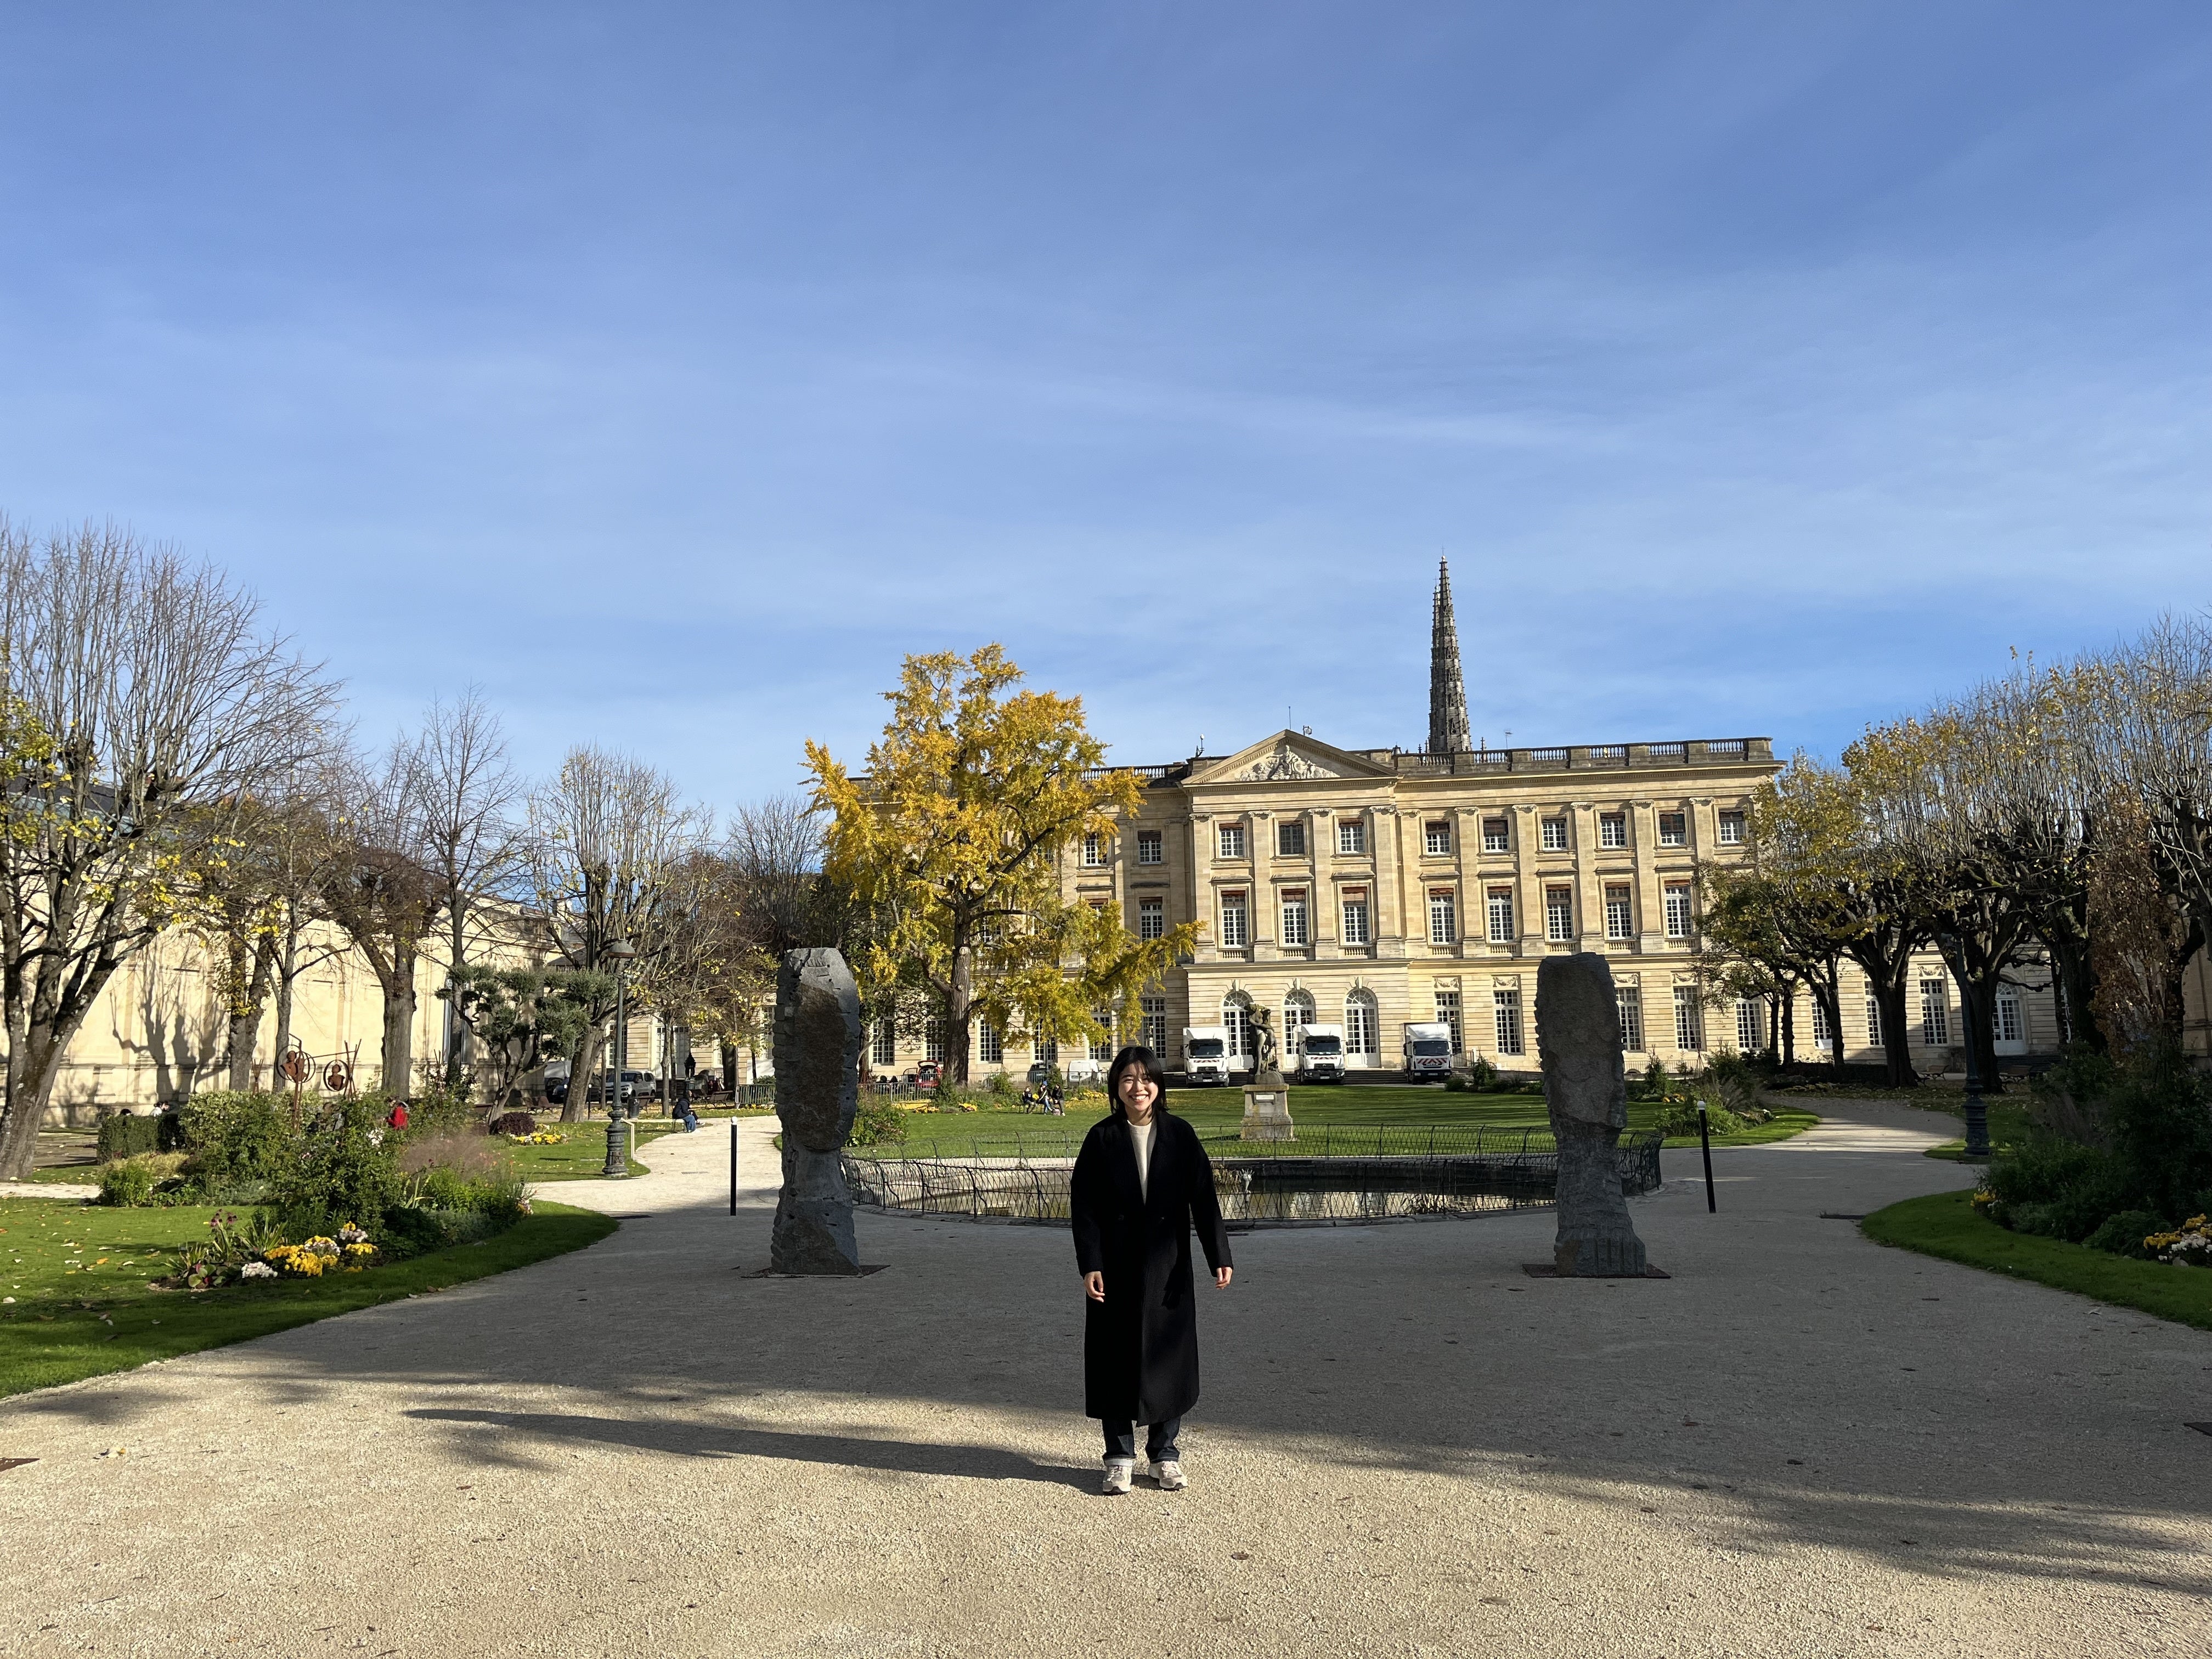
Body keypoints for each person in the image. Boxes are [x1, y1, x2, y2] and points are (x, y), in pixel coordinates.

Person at [1069, 1043, 1232, 1496]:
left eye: (1145, 1079)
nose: (1137, 1087)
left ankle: (1164, 1453)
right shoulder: (1101, 1138)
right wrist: (1090, 1264)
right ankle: (1118, 1457)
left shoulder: (1180, 1135)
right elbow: (1084, 1208)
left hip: (1168, 1263)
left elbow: (1204, 1199)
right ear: (1116, 1087)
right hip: (1115, 1265)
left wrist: (1219, 1254)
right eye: (1127, 1079)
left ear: (1157, 1085)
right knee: (1114, 1358)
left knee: (1169, 1358)